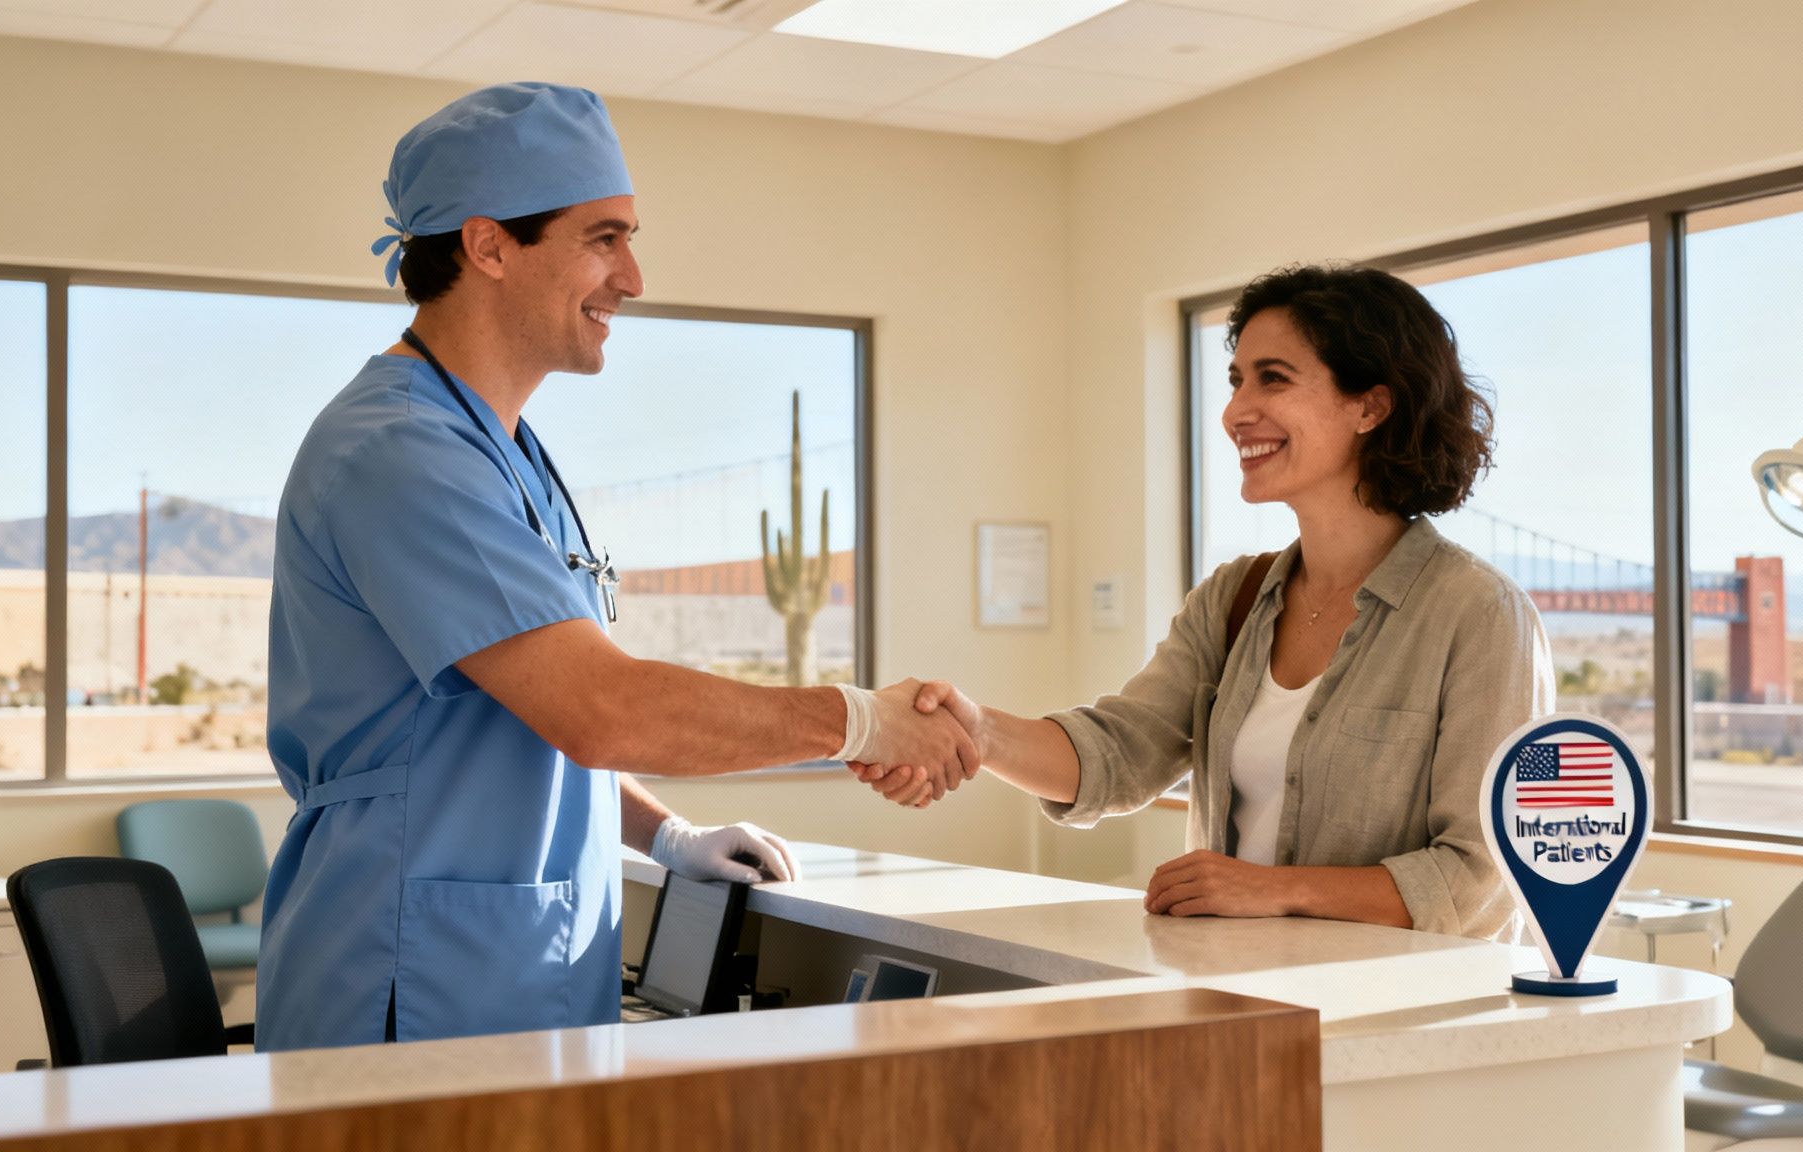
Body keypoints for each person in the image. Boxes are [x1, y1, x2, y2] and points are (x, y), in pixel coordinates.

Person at [259, 83, 977, 1052]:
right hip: (404, 977)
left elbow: (520, 723)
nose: (631, 278)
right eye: (604, 238)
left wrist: (665, 837)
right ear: (489, 246)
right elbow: (601, 709)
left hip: (507, 963)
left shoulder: (496, 447)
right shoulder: (398, 452)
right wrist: (858, 722)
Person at [857, 263, 1552, 941]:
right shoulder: (1235, 598)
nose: (1234, 411)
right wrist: (975, 732)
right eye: (1236, 380)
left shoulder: (1481, 615)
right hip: (1243, 1000)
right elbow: (1121, 752)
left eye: (1272, 379)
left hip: (1400, 1020)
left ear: (1370, 405)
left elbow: (1480, 877)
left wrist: (1273, 892)